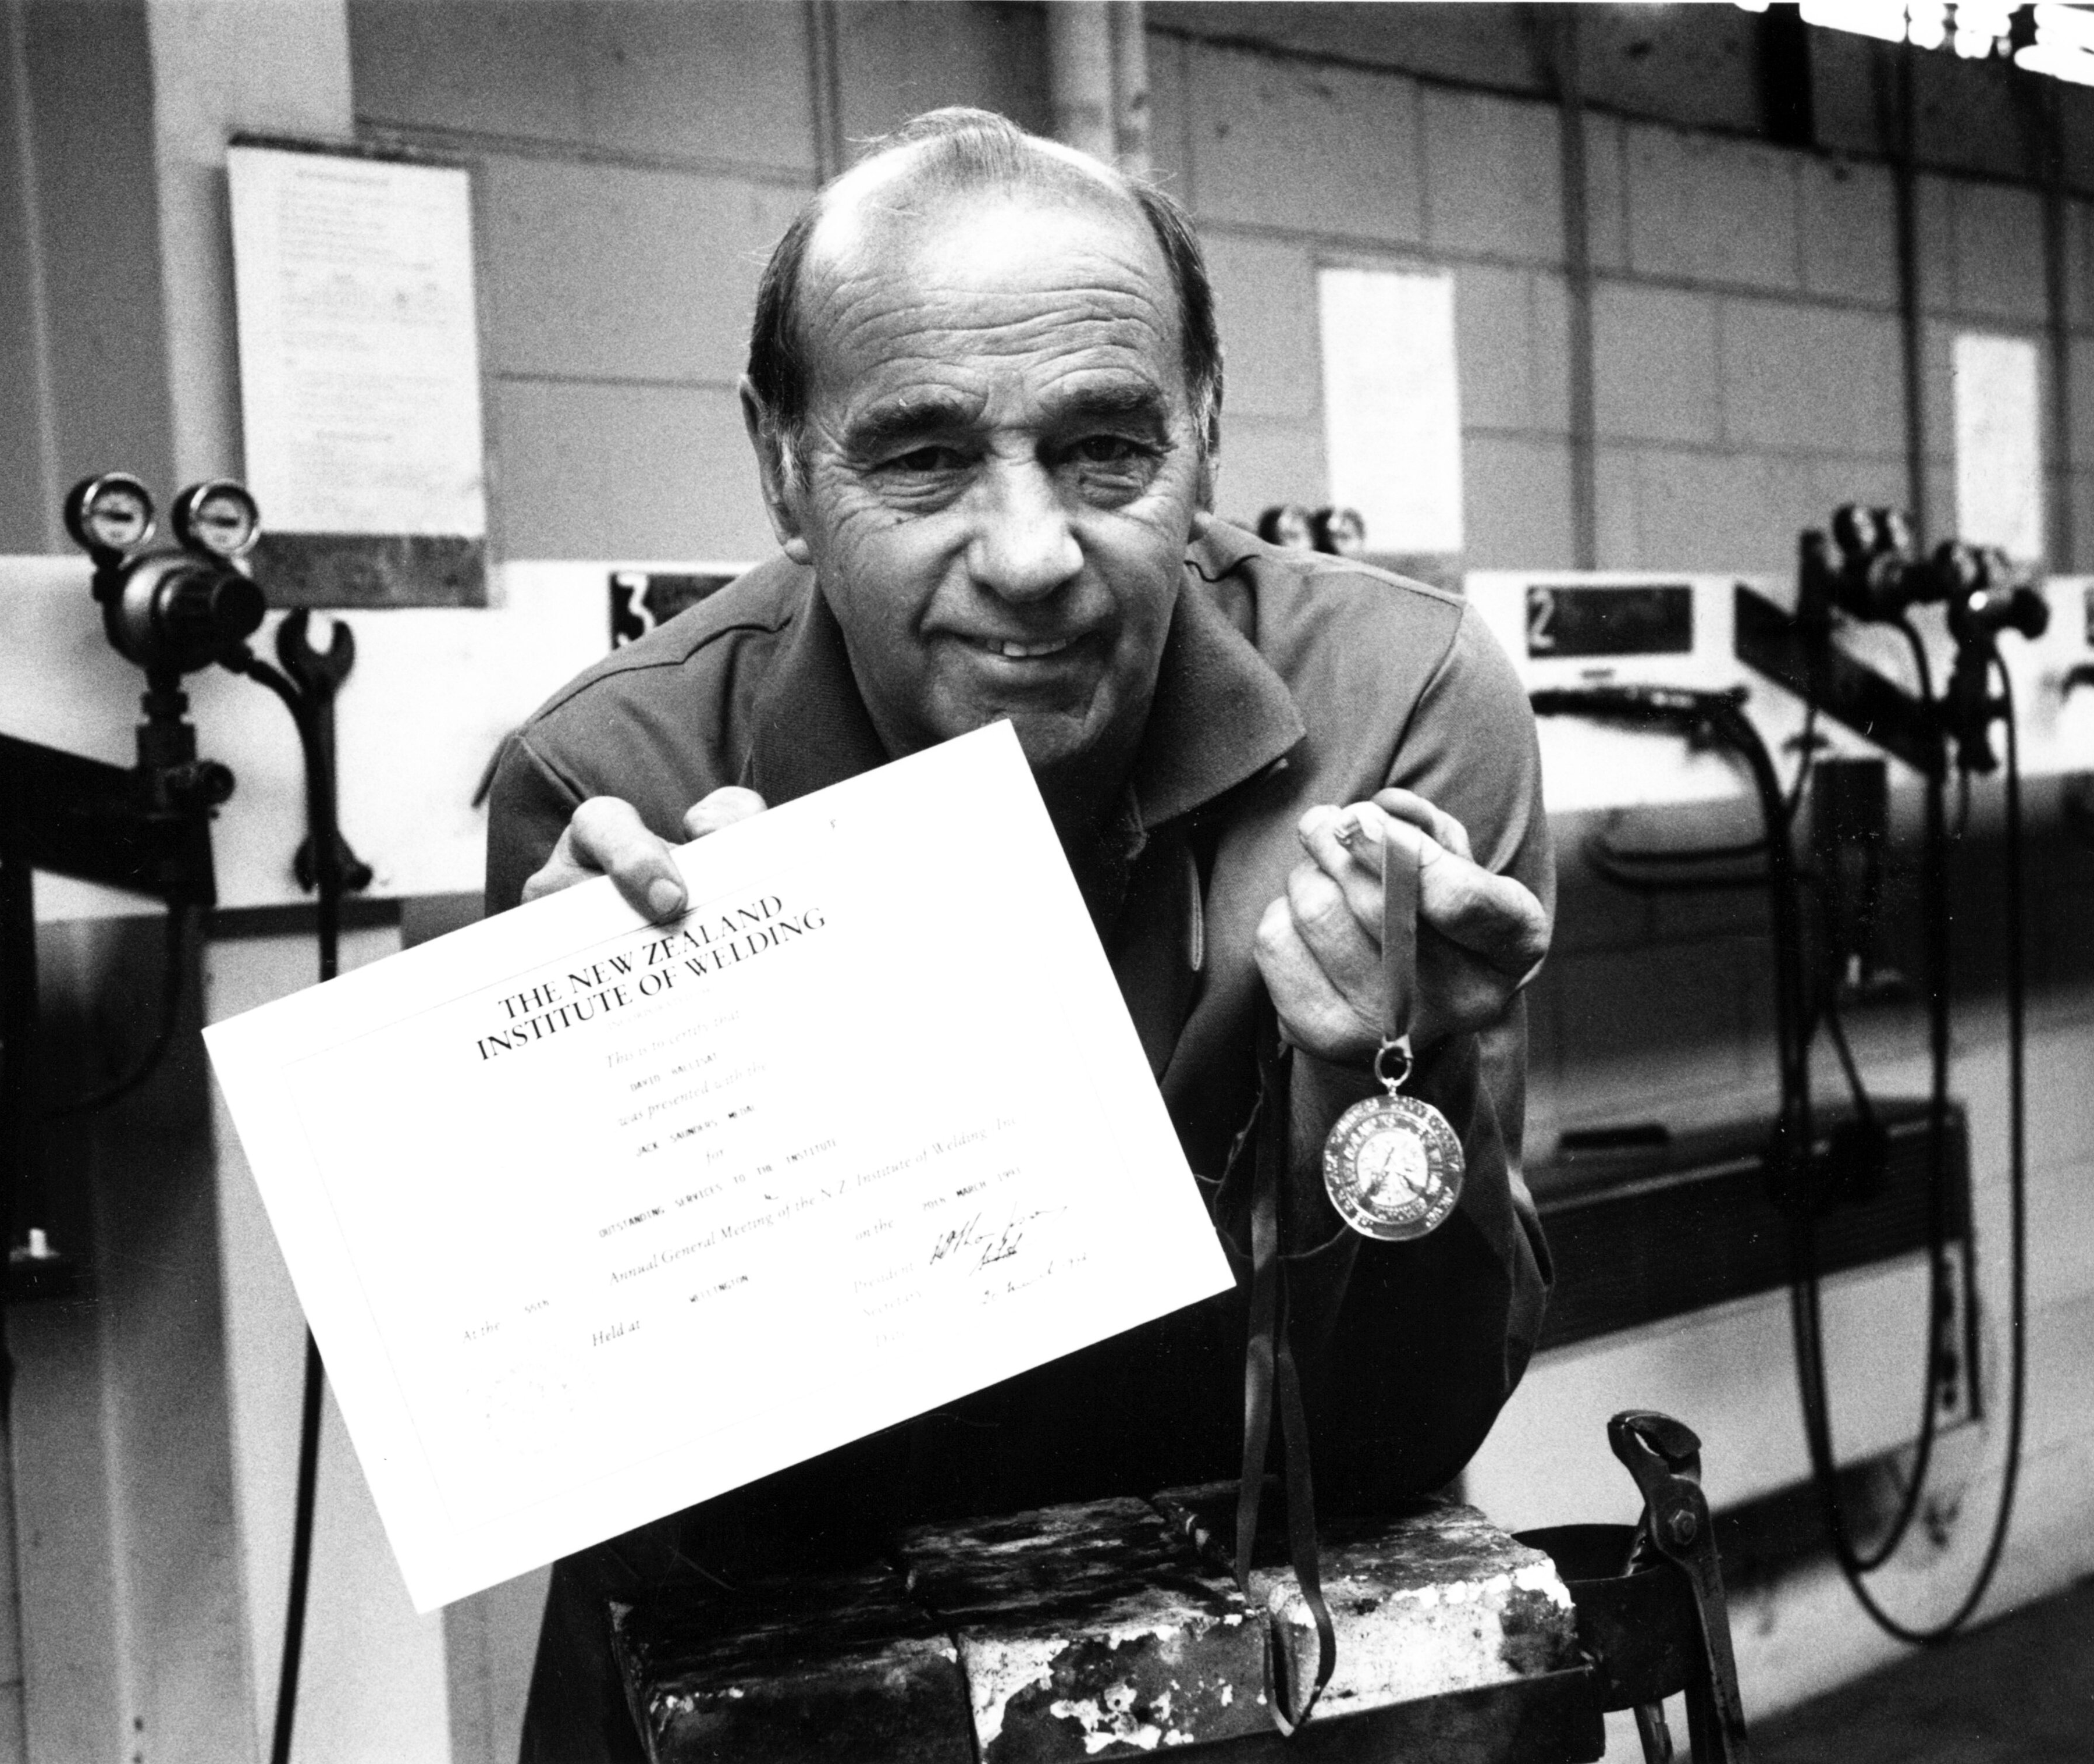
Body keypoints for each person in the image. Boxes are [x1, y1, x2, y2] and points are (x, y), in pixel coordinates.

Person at [485, 106, 1553, 1762]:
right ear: (782, 462)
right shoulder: (618, 784)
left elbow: (1410, 1426)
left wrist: (1386, 1085)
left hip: (1255, 1695)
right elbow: (673, 1533)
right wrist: (659, 1128)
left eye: (1107, 448)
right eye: (920, 460)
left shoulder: (1397, 707)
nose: (1034, 556)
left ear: (1207, 427)